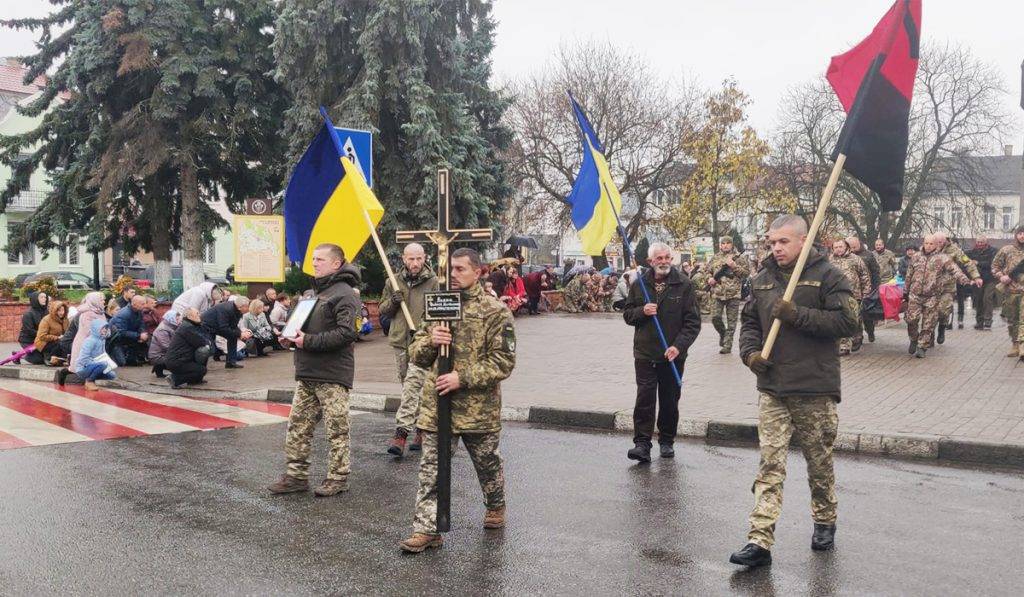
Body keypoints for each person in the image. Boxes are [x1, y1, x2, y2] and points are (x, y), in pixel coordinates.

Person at [729, 215, 859, 568]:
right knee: (770, 464)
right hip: (774, 387)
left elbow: (849, 323)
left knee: (819, 463)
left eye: (783, 242)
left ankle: (824, 519)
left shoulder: (829, 276)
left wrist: (797, 314)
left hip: (814, 386)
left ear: (803, 241)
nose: (776, 248)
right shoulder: (761, 280)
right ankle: (760, 540)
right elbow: (750, 324)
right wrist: (750, 355)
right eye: (772, 242)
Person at [399, 247, 516, 553]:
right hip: (439, 407)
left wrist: (462, 377)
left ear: (478, 272)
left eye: (461, 269)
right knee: (431, 471)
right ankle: (427, 529)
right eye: (450, 269)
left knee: (487, 465)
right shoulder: (438, 305)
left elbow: (503, 362)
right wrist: (431, 341)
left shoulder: (495, 311)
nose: (453, 275)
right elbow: (417, 354)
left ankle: (495, 504)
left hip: (478, 410)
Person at [268, 243, 362, 497]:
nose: (315, 263)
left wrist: (306, 341)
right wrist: (288, 336)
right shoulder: (310, 294)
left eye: (320, 259)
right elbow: (298, 326)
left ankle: (338, 477)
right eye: (313, 258)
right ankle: (296, 476)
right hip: (306, 371)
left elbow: (347, 333)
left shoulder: (346, 295)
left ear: (336, 263)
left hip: (332, 374)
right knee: (298, 425)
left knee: (337, 428)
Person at [622, 242, 701, 462]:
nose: (664, 262)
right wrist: (642, 311)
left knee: (669, 400)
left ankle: (666, 440)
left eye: (667, 257)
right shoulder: (640, 284)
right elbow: (628, 315)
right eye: (659, 258)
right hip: (645, 353)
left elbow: (693, 323)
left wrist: (679, 346)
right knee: (644, 399)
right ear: (650, 262)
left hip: (672, 355)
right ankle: (642, 444)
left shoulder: (683, 284)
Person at [378, 243, 438, 456]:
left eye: (419, 259)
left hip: (421, 342)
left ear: (425, 258)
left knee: (415, 385)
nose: (415, 263)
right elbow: (382, 309)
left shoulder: (433, 282)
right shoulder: (392, 281)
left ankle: (403, 433)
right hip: (400, 340)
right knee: (407, 386)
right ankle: (421, 427)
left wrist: (424, 332)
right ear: (404, 259)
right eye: (411, 259)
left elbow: (436, 313)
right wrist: (393, 302)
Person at [904, 234, 971, 358]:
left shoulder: (942, 258)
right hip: (915, 294)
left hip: (932, 295)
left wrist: (965, 280)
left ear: (936, 245)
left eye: (931, 244)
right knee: (911, 320)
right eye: (926, 243)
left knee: (928, 323)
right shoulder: (916, 257)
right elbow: (909, 274)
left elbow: (955, 270)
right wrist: (905, 291)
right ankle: (913, 339)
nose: (928, 246)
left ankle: (922, 346)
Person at [934, 232, 982, 342]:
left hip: (947, 285)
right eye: (937, 242)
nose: (939, 245)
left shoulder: (954, 250)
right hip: (931, 286)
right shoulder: (929, 247)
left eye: (941, 242)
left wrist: (976, 276)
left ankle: (942, 327)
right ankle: (929, 336)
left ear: (945, 240)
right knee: (929, 312)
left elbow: (967, 262)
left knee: (943, 310)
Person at [706, 237, 750, 355]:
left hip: (734, 294)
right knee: (715, 318)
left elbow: (746, 273)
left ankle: (727, 345)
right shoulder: (715, 257)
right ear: (720, 245)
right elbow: (707, 271)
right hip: (717, 293)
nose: (725, 245)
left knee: (732, 322)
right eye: (723, 243)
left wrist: (734, 266)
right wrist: (709, 278)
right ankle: (723, 334)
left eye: (728, 243)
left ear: (732, 244)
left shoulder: (739, 258)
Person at [829, 239, 871, 356]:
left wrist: (866, 293)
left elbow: (864, 276)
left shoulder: (855, 259)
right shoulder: (830, 260)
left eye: (840, 246)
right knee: (842, 319)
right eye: (836, 247)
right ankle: (844, 346)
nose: (838, 249)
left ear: (846, 247)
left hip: (854, 294)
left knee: (855, 319)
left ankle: (858, 336)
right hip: (836, 294)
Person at [991, 224, 1024, 359]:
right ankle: (1015, 344)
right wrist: (1001, 276)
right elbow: (995, 266)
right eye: (1020, 233)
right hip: (1011, 290)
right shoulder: (1007, 250)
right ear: (1016, 235)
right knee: (1012, 319)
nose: (1023, 236)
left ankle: (1022, 345)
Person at [64, 291, 108, 385]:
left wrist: (106, 332)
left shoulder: (100, 312)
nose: (104, 302)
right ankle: (88, 382)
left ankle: (88, 381)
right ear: (95, 300)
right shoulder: (86, 314)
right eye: (102, 300)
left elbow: (105, 327)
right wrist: (103, 332)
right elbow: (89, 330)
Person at [165, 308, 211, 388]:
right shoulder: (187, 328)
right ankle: (175, 379)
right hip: (177, 361)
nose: (199, 315)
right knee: (202, 369)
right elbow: (200, 342)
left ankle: (195, 380)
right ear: (190, 316)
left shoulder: (190, 325)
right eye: (197, 313)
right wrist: (207, 342)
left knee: (202, 357)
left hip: (181, 359)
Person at [201, 296, 251, 368]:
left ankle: (231, 363)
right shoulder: (226, 309)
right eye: (247, 306)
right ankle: (201, 367)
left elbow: (233, 326)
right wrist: (240, 334)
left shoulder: (238, 310)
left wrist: (240, 334)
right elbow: (223, 328)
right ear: (240, 307)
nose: (248, 308)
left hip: (217, 326)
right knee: (209, 348)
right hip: (207, 326)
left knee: (233, 337)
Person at [846, 236, 880, 346]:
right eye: (850, 247)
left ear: (859, 244)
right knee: (855, 315)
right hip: (852, 290)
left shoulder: (868, 255)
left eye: (854, 246)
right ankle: (857, 338)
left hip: (867, 289)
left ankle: (870, 331)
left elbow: (875, 272)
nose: (853, 249)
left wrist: (875, 288)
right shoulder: (846, 256)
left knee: (867, 315)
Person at [74, 319, 117, 391]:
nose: (105, 330)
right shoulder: (90, 341)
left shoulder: (102, 339)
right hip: (82, 368)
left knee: (112, 375)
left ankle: (92, 378)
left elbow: (102, 354)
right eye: (102, 328)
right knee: (103, 365)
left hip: (95, 365)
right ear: (96, 328)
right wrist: (98, 363)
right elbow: (83, 358)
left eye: (106, 328)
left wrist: (109, 363)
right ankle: (89, 381)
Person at [108, 295, 150, 366]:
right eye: (142, 304)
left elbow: (141, 323)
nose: (145, 306)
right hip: (116, 341)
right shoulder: (124, 314)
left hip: (129, 337)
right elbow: (120, 332)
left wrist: (142, 333)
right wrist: (138, 336)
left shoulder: (139, 311)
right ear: (134, 304)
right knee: (122, 363)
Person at [966, 236, 998, 330]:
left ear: (986, 242)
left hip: (990, 279)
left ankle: (988, 321)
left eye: (982, 242)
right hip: (978, 279)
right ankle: (979, 322)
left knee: (987, 298)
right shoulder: (972, 252)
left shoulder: (993, 251)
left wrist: (978, 263)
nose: (980, 244)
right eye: (978, 242)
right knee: (978, 300)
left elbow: (991, 264)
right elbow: (967, 262)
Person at [34, 300, 69, 366]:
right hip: (44, 342)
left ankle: (61, 359)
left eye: (63, 310)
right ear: (54, 311)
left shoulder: (65, 320)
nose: (62, 313)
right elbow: (41, 336)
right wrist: (57, 337)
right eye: (59, 311)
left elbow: (68, 331)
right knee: (59, 343)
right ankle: (48, 358)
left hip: (60, 340)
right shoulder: (46, 320)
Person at [17, 291, 49, 364]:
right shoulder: (28, 314)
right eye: (41, 297)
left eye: (45, 297)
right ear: (35, 299)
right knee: (38, 360)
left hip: (41, 339)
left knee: (48, 357)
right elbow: (29, 330)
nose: (44, 299)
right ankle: (20, 354)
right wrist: (44, 335)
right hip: (28, 340)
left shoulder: (47, 311)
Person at [148, 310, 180, 378]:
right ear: (171, 318)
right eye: (177, 319)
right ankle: (159, 365)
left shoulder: (170, 327)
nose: (179, 321)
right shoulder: (162, 329)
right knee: (180, 363)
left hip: (161, 354)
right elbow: (166, 346)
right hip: (158, 356)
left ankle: (159, 367)